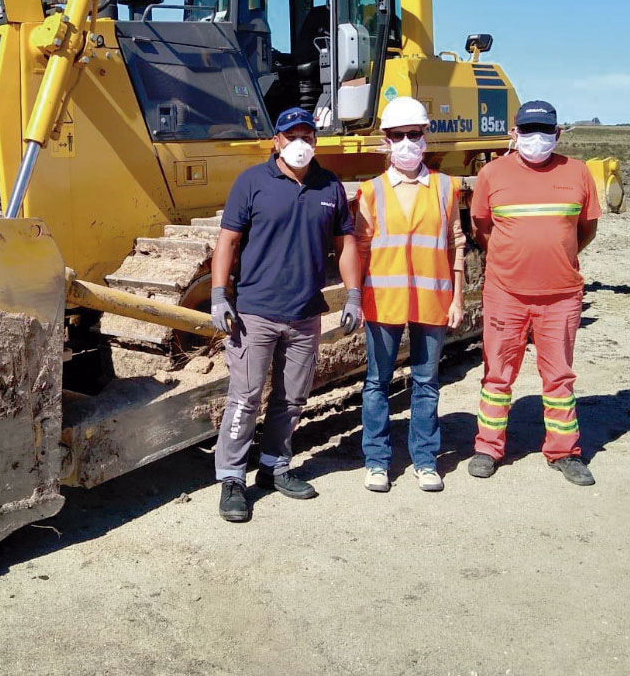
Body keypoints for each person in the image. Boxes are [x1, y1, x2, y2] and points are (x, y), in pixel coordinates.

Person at [210, 107, 363, 522]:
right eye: (291, 136)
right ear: (275, 141)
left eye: (307, 137)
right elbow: (228, 241)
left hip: (304, 314)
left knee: (292, 399)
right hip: (255, 314)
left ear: (316, 141)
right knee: (245, 399)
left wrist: (353, 296)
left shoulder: (330, 185)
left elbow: (346, 244)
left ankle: (274, 466)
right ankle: (232, 479)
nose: (300, 144)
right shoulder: (251, 182)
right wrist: (219, 295)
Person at [467, 100, 601, 486]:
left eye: (544, 130)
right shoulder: (492, 174)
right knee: (497, 374)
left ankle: (564, 452)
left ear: (557, 134)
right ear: (514, 132)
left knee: (559, 377)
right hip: (505, 294)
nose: (535, 137)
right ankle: (488, 448)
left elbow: (586, 229)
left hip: (561, 296)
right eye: (527, 130)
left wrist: (555, 257)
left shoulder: (577, 173)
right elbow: (482, 228)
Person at [354, 96, 465, 494]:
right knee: (377, 383)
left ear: (425, 137)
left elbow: (456, 243)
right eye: (397, 135)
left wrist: (458, 298)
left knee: (426, 383)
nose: (406, 143)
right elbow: (360, 250)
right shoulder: (371, 191)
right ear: (386, 140)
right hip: (383, 302)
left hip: (432, 300)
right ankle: (377, 461)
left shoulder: (446, 187)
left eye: (413, 134)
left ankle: (425, 460)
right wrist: (354, 298)